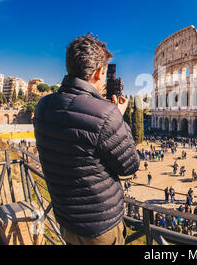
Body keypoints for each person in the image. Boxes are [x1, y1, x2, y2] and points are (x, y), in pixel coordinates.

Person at [33, 33, 140, 245]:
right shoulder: (106, 114)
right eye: (106, 73)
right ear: (99, 73)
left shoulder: (43, 106)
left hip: (66, 219)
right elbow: (129, 166)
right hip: (100, 226)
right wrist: (118, 115)